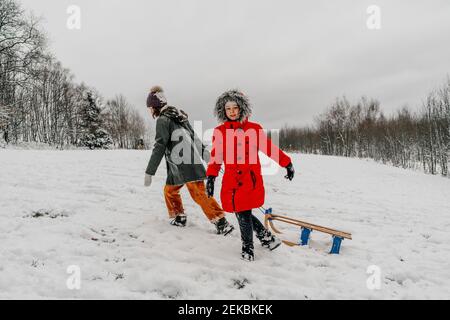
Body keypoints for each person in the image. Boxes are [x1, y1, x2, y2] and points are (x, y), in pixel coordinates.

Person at [206, 89, 295, 261]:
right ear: (223, 111)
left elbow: (269, 149)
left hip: (249, 180)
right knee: (241, 212)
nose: (232, 111)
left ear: (242, 108)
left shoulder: (253, 129)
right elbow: (216, 157)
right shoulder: (220, 132)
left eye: (235, 107)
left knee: (243, 212)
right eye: (228, 108)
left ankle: (248, 249)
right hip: (231, 181)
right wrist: (211, 176)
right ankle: (266, 238)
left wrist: (287, 163)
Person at [144, 86, 234, 235]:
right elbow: (194, 137)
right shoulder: (178, 117)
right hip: (177, 166)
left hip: (187, 163)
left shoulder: (163, 120)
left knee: (199, 193)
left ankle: (221, 221)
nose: (150, 111)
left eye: (150, 108)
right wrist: (204, 154)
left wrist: (149, 171)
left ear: (155, 106)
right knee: (170, 191)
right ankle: (179, 216)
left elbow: (160, 146)